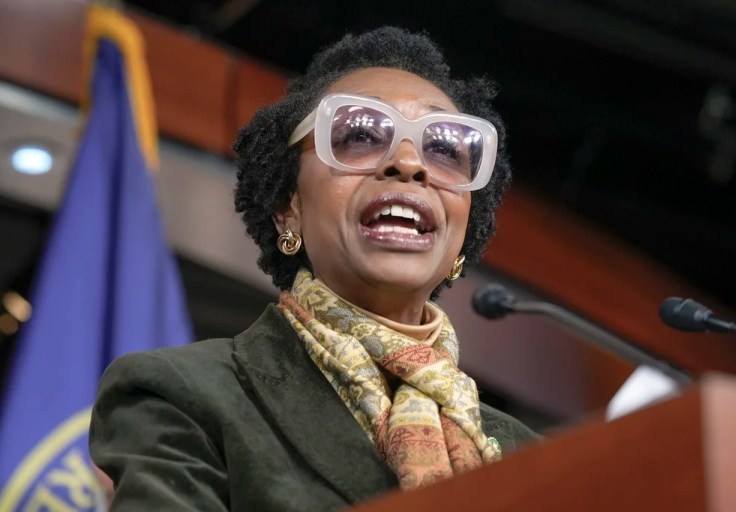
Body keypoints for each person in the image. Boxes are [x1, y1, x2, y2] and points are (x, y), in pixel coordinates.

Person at [89, 26, 540, 511]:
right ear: (289, 207)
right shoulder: (184, 393)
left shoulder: (529, 455)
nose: (410, 164)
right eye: (362, 134)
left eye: (446, 148)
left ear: (462, 240)